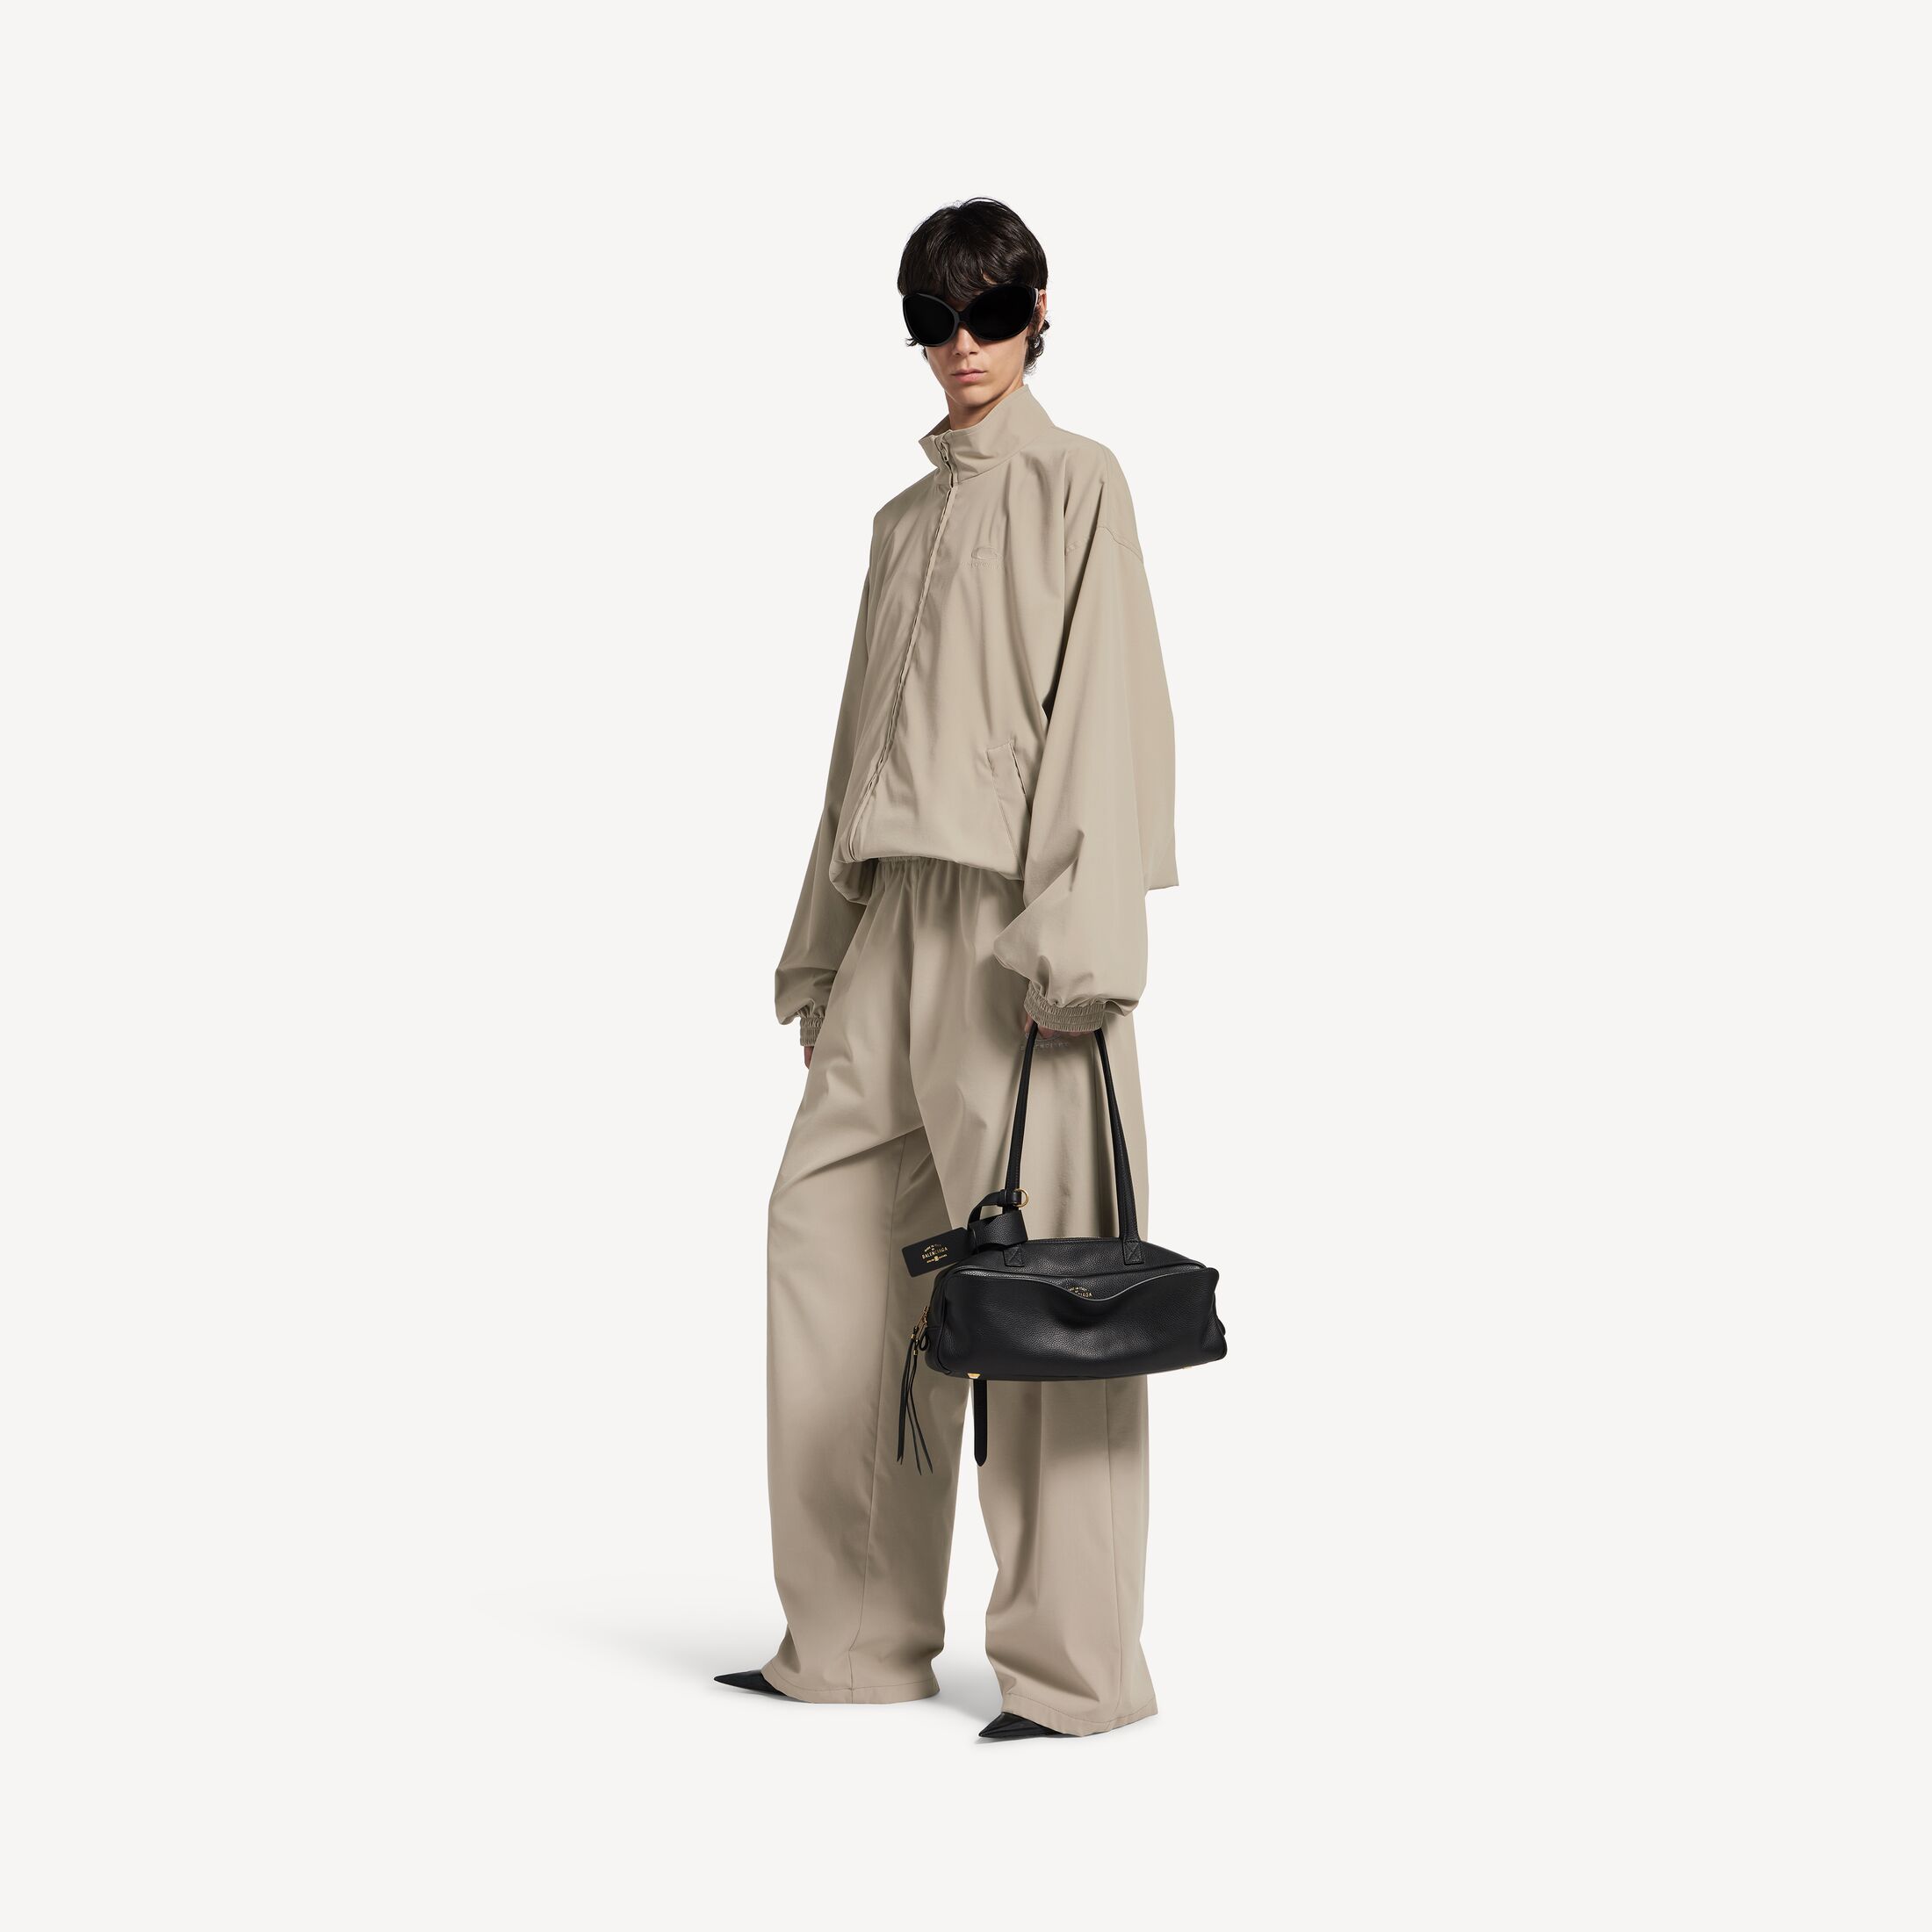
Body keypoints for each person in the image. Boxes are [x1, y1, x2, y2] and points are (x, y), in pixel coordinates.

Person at [717, 198, 1180, 1741]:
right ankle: (847, 1638)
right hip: (888, 927)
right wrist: (820, 956)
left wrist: (1080, 946)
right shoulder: (901, 524)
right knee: (830, 1245)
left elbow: (1107, 711)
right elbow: (856, 751)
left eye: (986, 315)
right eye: (932, 320)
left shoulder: (1077, 484)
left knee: (1048, 1296)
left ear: (1039, 313)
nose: (960, 347)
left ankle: (1072, 1676)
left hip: (1016, 936)